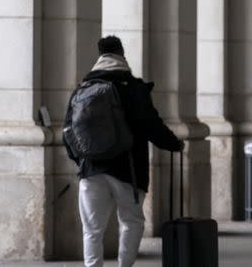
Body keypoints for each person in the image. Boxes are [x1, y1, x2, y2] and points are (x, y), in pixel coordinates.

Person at [63, 36, 183, 267]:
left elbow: (67, 131)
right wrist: (174, 144)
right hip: (128, 170)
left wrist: (81, 160)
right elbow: (152, 125)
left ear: (99, 56)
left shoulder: (83, 89)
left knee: (92, 230)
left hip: (91, 170)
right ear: (122, 54)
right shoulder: (133, 88)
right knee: (131, 222)